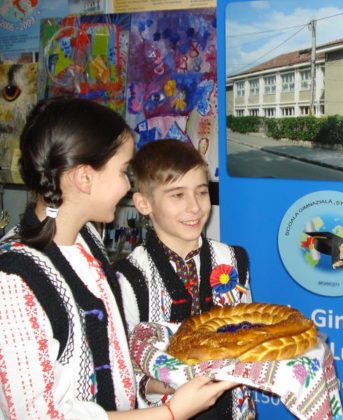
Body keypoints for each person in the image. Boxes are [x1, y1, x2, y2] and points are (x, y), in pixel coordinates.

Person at [0, 97, 235, 419]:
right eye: (124, 172)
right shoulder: (14, 280)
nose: (127, 186)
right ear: (85, 178)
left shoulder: (85, 239)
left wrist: (156, 385)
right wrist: (171, 413)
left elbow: (108, 366)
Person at [114, 139, 255, 419]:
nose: (194, 207)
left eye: (201, 192)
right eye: (177, 195)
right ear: (143, 203)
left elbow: (246, 328)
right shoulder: (127, 278)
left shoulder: (233, 259)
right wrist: (159, 384)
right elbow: (122, 370)